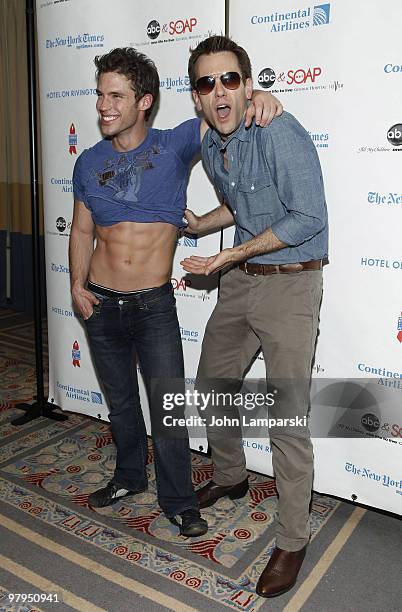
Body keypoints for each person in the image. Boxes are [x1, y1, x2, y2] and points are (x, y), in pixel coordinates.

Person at [69, 47, 282, 537]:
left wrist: (259, 94)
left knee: (167, 410)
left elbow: (221, 109)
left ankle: (179, 501)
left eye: (116, 96)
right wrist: (76, 285)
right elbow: (81, 232)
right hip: (99, 304)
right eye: (101, 94)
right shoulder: (88, 163)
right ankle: (127, 479)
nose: (104, 105)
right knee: (121, 404)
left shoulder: (176, 142)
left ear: (144, 101)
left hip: (152, 306)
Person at [181, 36, 328, 591]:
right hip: (240, 281)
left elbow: (305, 217)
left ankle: (292, 541)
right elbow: (242, 204)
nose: (218, 91)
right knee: (213, 381)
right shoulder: (214, 144)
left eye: (230, 80)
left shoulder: (279, 131)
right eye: (206, 83)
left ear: (247, 85)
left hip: (291, 283)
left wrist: (229, 254)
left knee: (286, 419)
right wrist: (204, 227)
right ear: (196, 97)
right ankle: (231, 477)